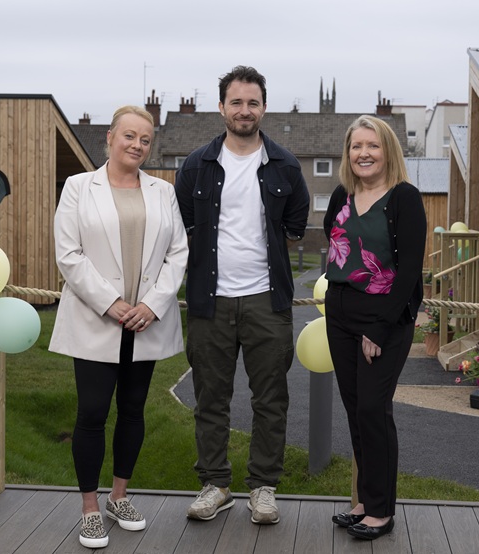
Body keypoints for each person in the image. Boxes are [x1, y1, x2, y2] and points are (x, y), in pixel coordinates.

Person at [175, 65, 310, 525]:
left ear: (264, 108)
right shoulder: (196, 165)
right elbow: (185, 227)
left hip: (265, 300)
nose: (245, 110)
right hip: (208, 301)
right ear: (221, 107)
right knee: (210, 397)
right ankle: (215, 485)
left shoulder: (286, 166)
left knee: (269, 399)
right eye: (236, 102)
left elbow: (294, 227)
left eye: (253, 102)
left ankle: (263, 489)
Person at [49, 105, 188, 549]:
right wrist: (112, 305)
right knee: (91, 413)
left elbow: (178, 254)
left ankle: (119, 497)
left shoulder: (163, 192)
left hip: (144, 321)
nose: (137, 145)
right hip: (96, 319)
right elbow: (69, 255)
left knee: (133, 410)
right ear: (109, 137)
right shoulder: (77, 187)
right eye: (129, 136)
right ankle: (89, 509)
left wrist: (150, 304)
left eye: (145, 140)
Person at [323, 115, 426, 540]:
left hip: (384, 317)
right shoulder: (340, 194)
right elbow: (334, 250)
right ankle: (366, 500)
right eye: (356, 146)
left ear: (388, 151)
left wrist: (380, 328)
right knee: (355, 411)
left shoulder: (405, 197)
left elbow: (409, 275)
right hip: (340, 312)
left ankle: (382, 511)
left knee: (372, 410)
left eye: (373, 146)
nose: (363, 153)